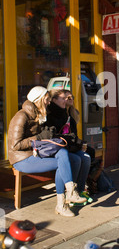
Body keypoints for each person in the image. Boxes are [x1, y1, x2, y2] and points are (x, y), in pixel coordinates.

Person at [7, 86, 86, 217]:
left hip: (36, 153)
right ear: (39, 99)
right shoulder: (22, 116)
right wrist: (38, 138)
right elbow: (15, 145)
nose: (49, 102)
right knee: (62, 161)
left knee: (64, 153)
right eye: (47, 99)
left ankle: (70, 193)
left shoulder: (39, 115)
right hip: (22, 159)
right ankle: (63, 202)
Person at [46, 89, 92, 203]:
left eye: (69, 98)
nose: (67, 100)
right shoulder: (50, 115)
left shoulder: (68, 114)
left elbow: (73, 135)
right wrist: (75, 142)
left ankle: (80, 191)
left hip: (68, 146)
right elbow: (53, 136)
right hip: (56, 148)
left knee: (86, 157)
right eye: (64, 98)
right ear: (54, 100)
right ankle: (70, 193)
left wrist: (78, 143)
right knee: (76, 159)